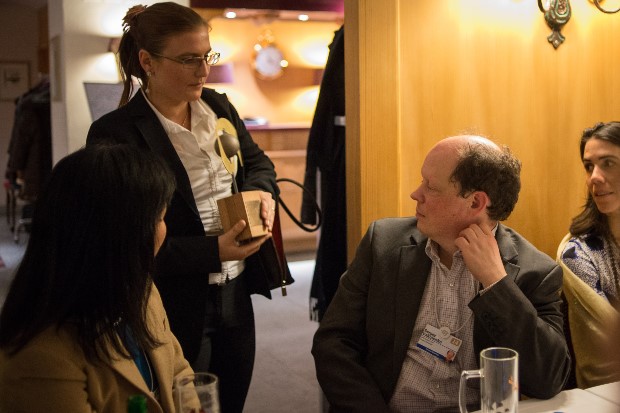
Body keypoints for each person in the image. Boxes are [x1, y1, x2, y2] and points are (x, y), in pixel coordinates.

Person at [86, 4, 284, 412]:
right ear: (148, 62)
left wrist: (261, 193)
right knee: (183, 403)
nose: (203, 70)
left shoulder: (219, 107)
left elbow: (258, 164)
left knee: (231, 400)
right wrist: (213, 251)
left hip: (236, 290)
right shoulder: (115, 134)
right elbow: (124, 243)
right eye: (188, 59)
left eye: (207, 56)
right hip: (171, 298)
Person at [312, 135, 571, 412]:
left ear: (475, 203)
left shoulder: (536, 272)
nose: (416, 194)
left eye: (431, 186)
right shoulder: (383, 244)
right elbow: (333, 342)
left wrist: (496, 283)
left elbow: (549, 379)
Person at [0, 144, 193, 413]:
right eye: (160, 218)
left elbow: (179, 373)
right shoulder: (41, 359)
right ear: (121, 236)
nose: (164, 230)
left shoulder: (140, 290)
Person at [558, 121, 620, 388]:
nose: (594, 177)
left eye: (608, 163)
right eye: (588, 166)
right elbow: (606, 352)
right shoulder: (578, 253)